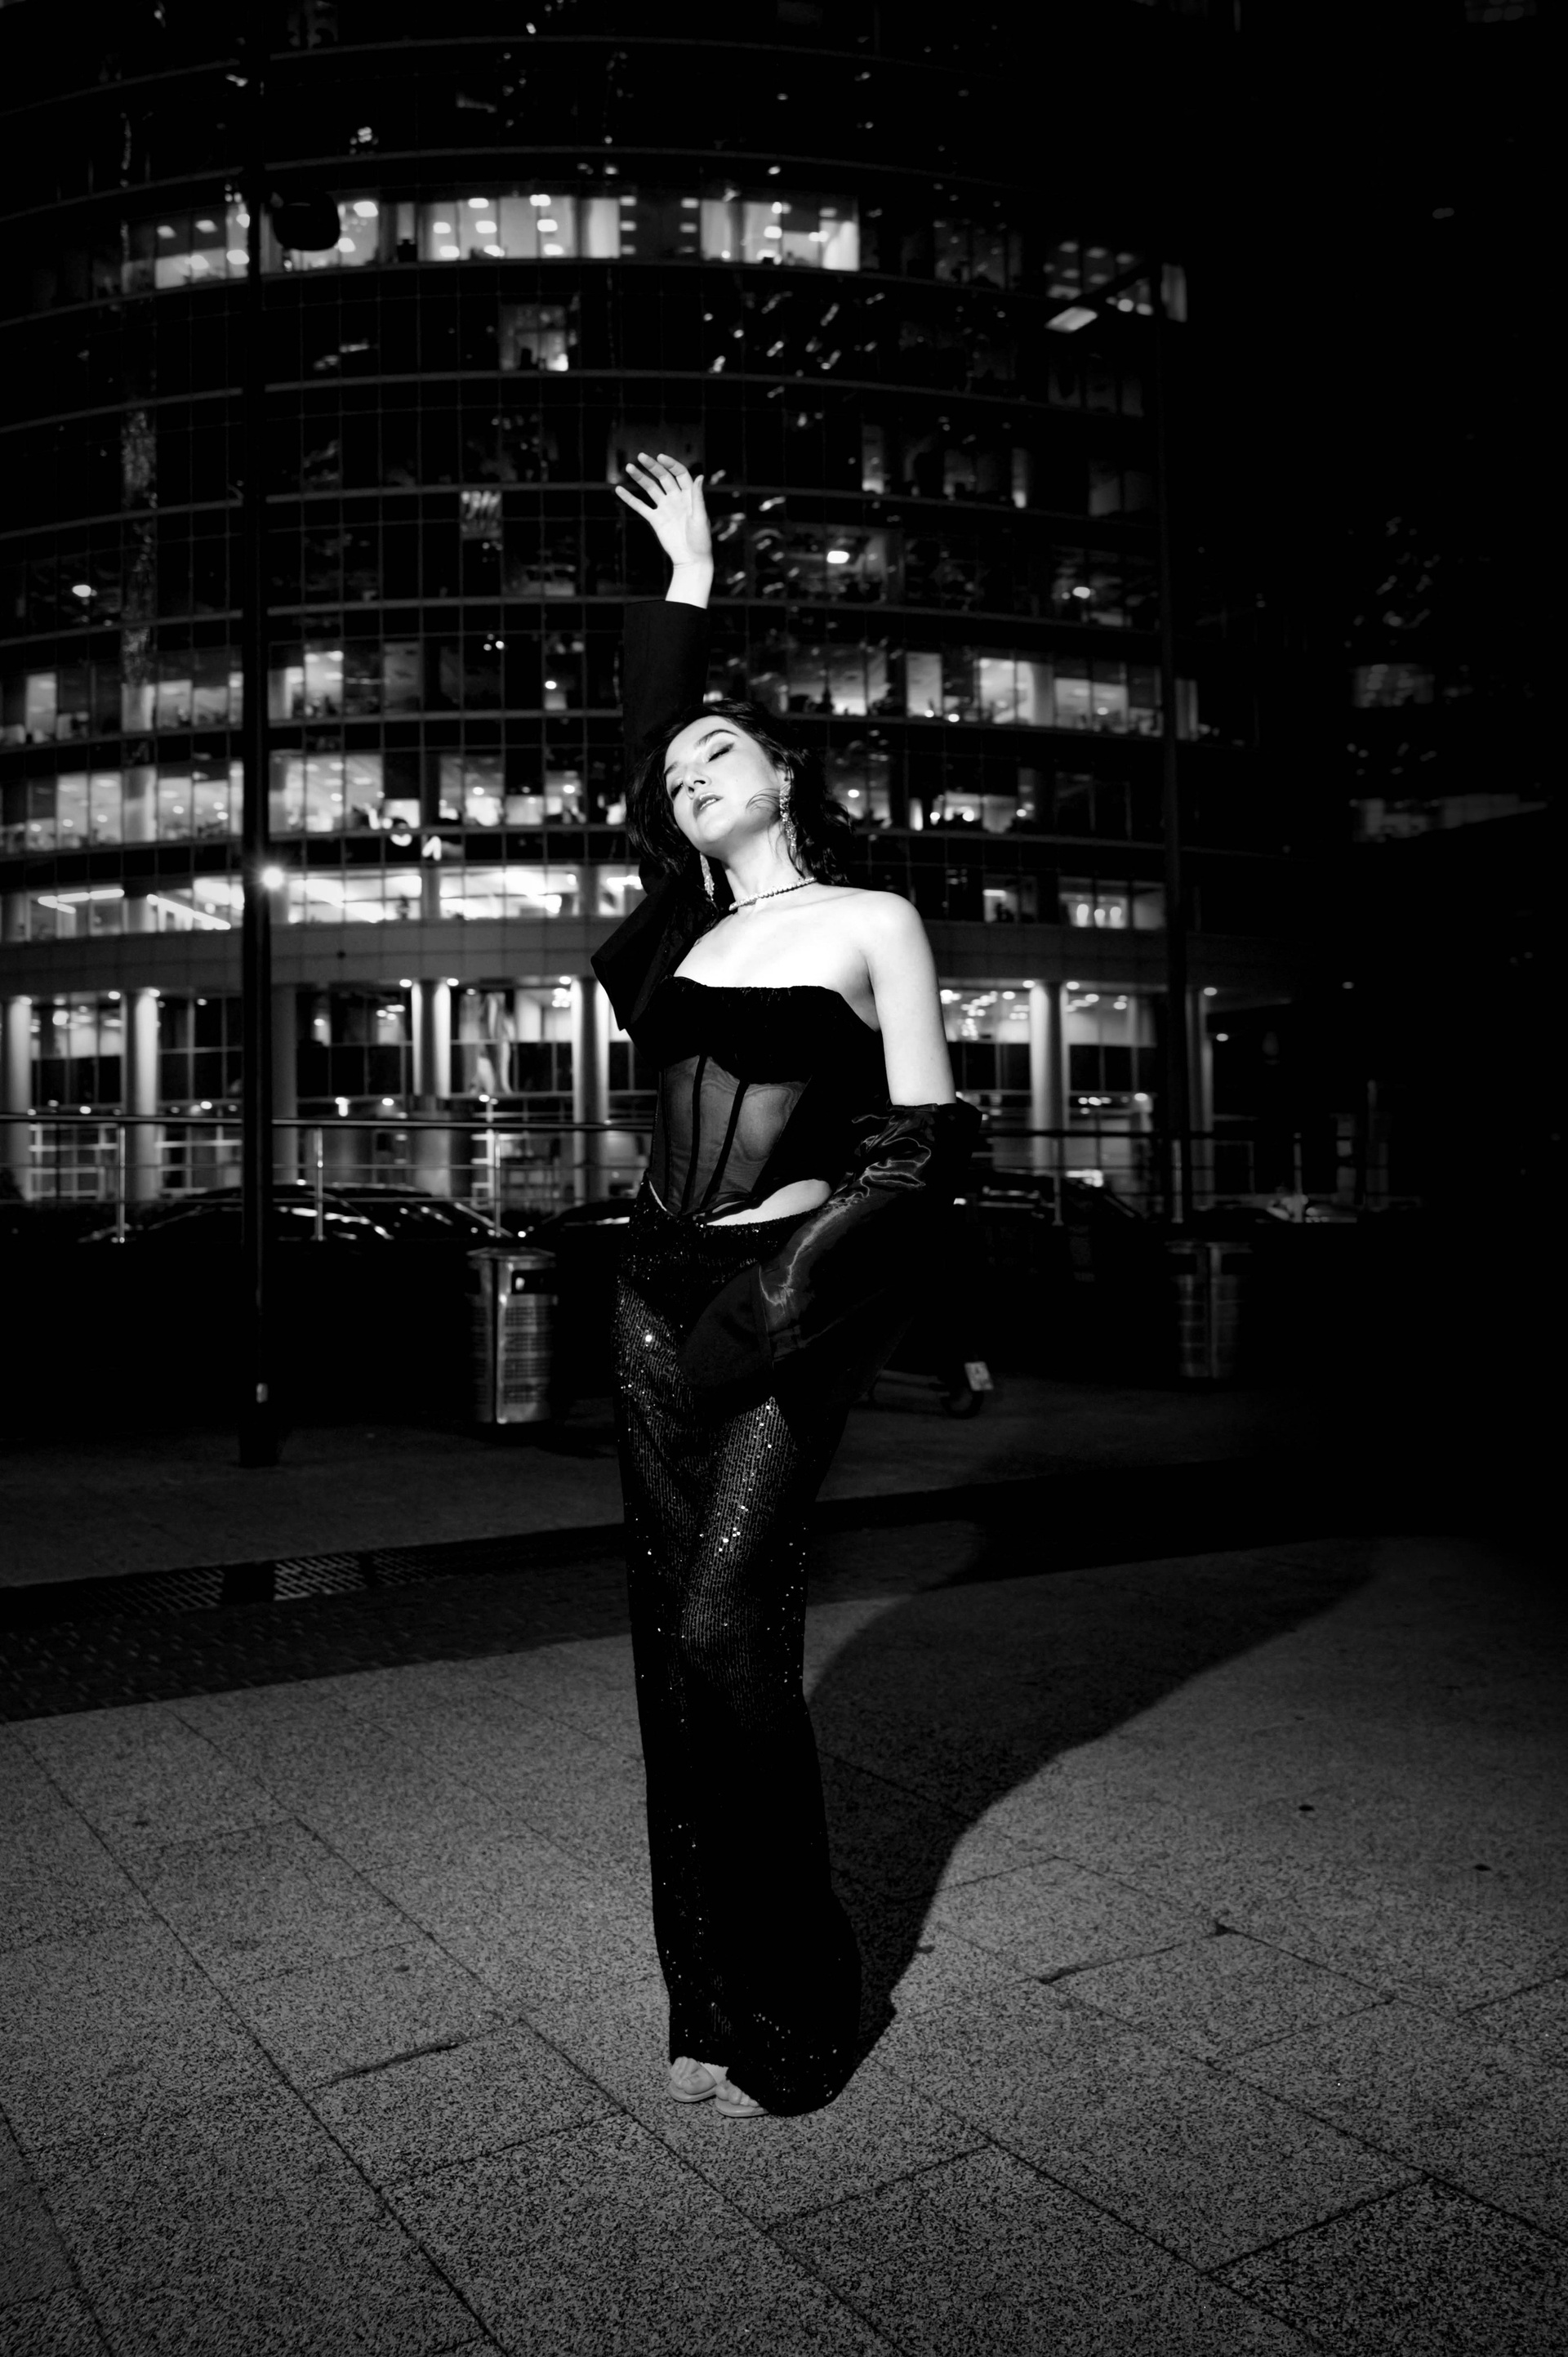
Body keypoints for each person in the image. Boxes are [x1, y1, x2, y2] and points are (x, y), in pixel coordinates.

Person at [593, 452, 979, 2119]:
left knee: (725, 1628)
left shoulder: (873, 919)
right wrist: (676, 591)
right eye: (678, 768)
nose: (691, 774)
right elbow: (642, 758)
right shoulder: (677, 934)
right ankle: (707, 2004)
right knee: (670, 1658)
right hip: (646, 1293)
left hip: (780, 1300)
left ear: (785, 772)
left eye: (721, 749)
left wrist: (773, 1307)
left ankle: (800, 2012)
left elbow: (922, 1154)